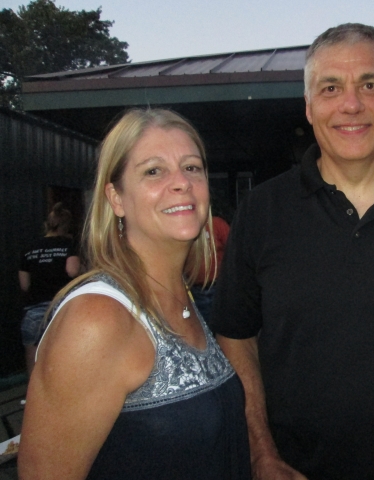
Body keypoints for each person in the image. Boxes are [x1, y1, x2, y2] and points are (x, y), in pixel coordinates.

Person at [212, 23, 374, 480]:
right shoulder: (262, 210)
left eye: (369, 85)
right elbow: (236, 336)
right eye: (331, 87)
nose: (351, 104)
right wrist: (261, 455)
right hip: (292, 470)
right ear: (309, 107)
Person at [19, 109, 250, 480]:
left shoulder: (183, 298)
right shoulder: (97, 319)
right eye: (153, 171)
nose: (181, 184)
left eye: (192, 167)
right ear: (116, 198)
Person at [19, 202, 80, 377]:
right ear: (67, 225)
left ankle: (32, 395)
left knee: (33, 354)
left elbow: (24, 285)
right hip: (60, 308)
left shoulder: (28, 248)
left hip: (33, 308)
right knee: (62, 353)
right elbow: (72, 270)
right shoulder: (68, 244)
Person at [190, 212, 230, 321]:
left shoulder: (217, 224)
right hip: (196, 290)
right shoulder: (183, 228)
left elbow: (233, 251)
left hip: (220, 286)